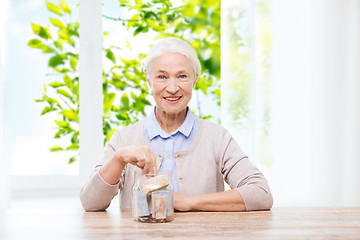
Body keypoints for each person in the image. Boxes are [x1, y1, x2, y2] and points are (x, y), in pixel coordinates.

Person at [80, 37, 273, 212]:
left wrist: (188, 202)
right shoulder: (124, 139)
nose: (172, 89)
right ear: (149, 81)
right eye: (162, 77)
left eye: (182, 76)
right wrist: (118, 159)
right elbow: (90, 203)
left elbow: (261, 194)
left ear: (194, 80)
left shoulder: (217, 137)